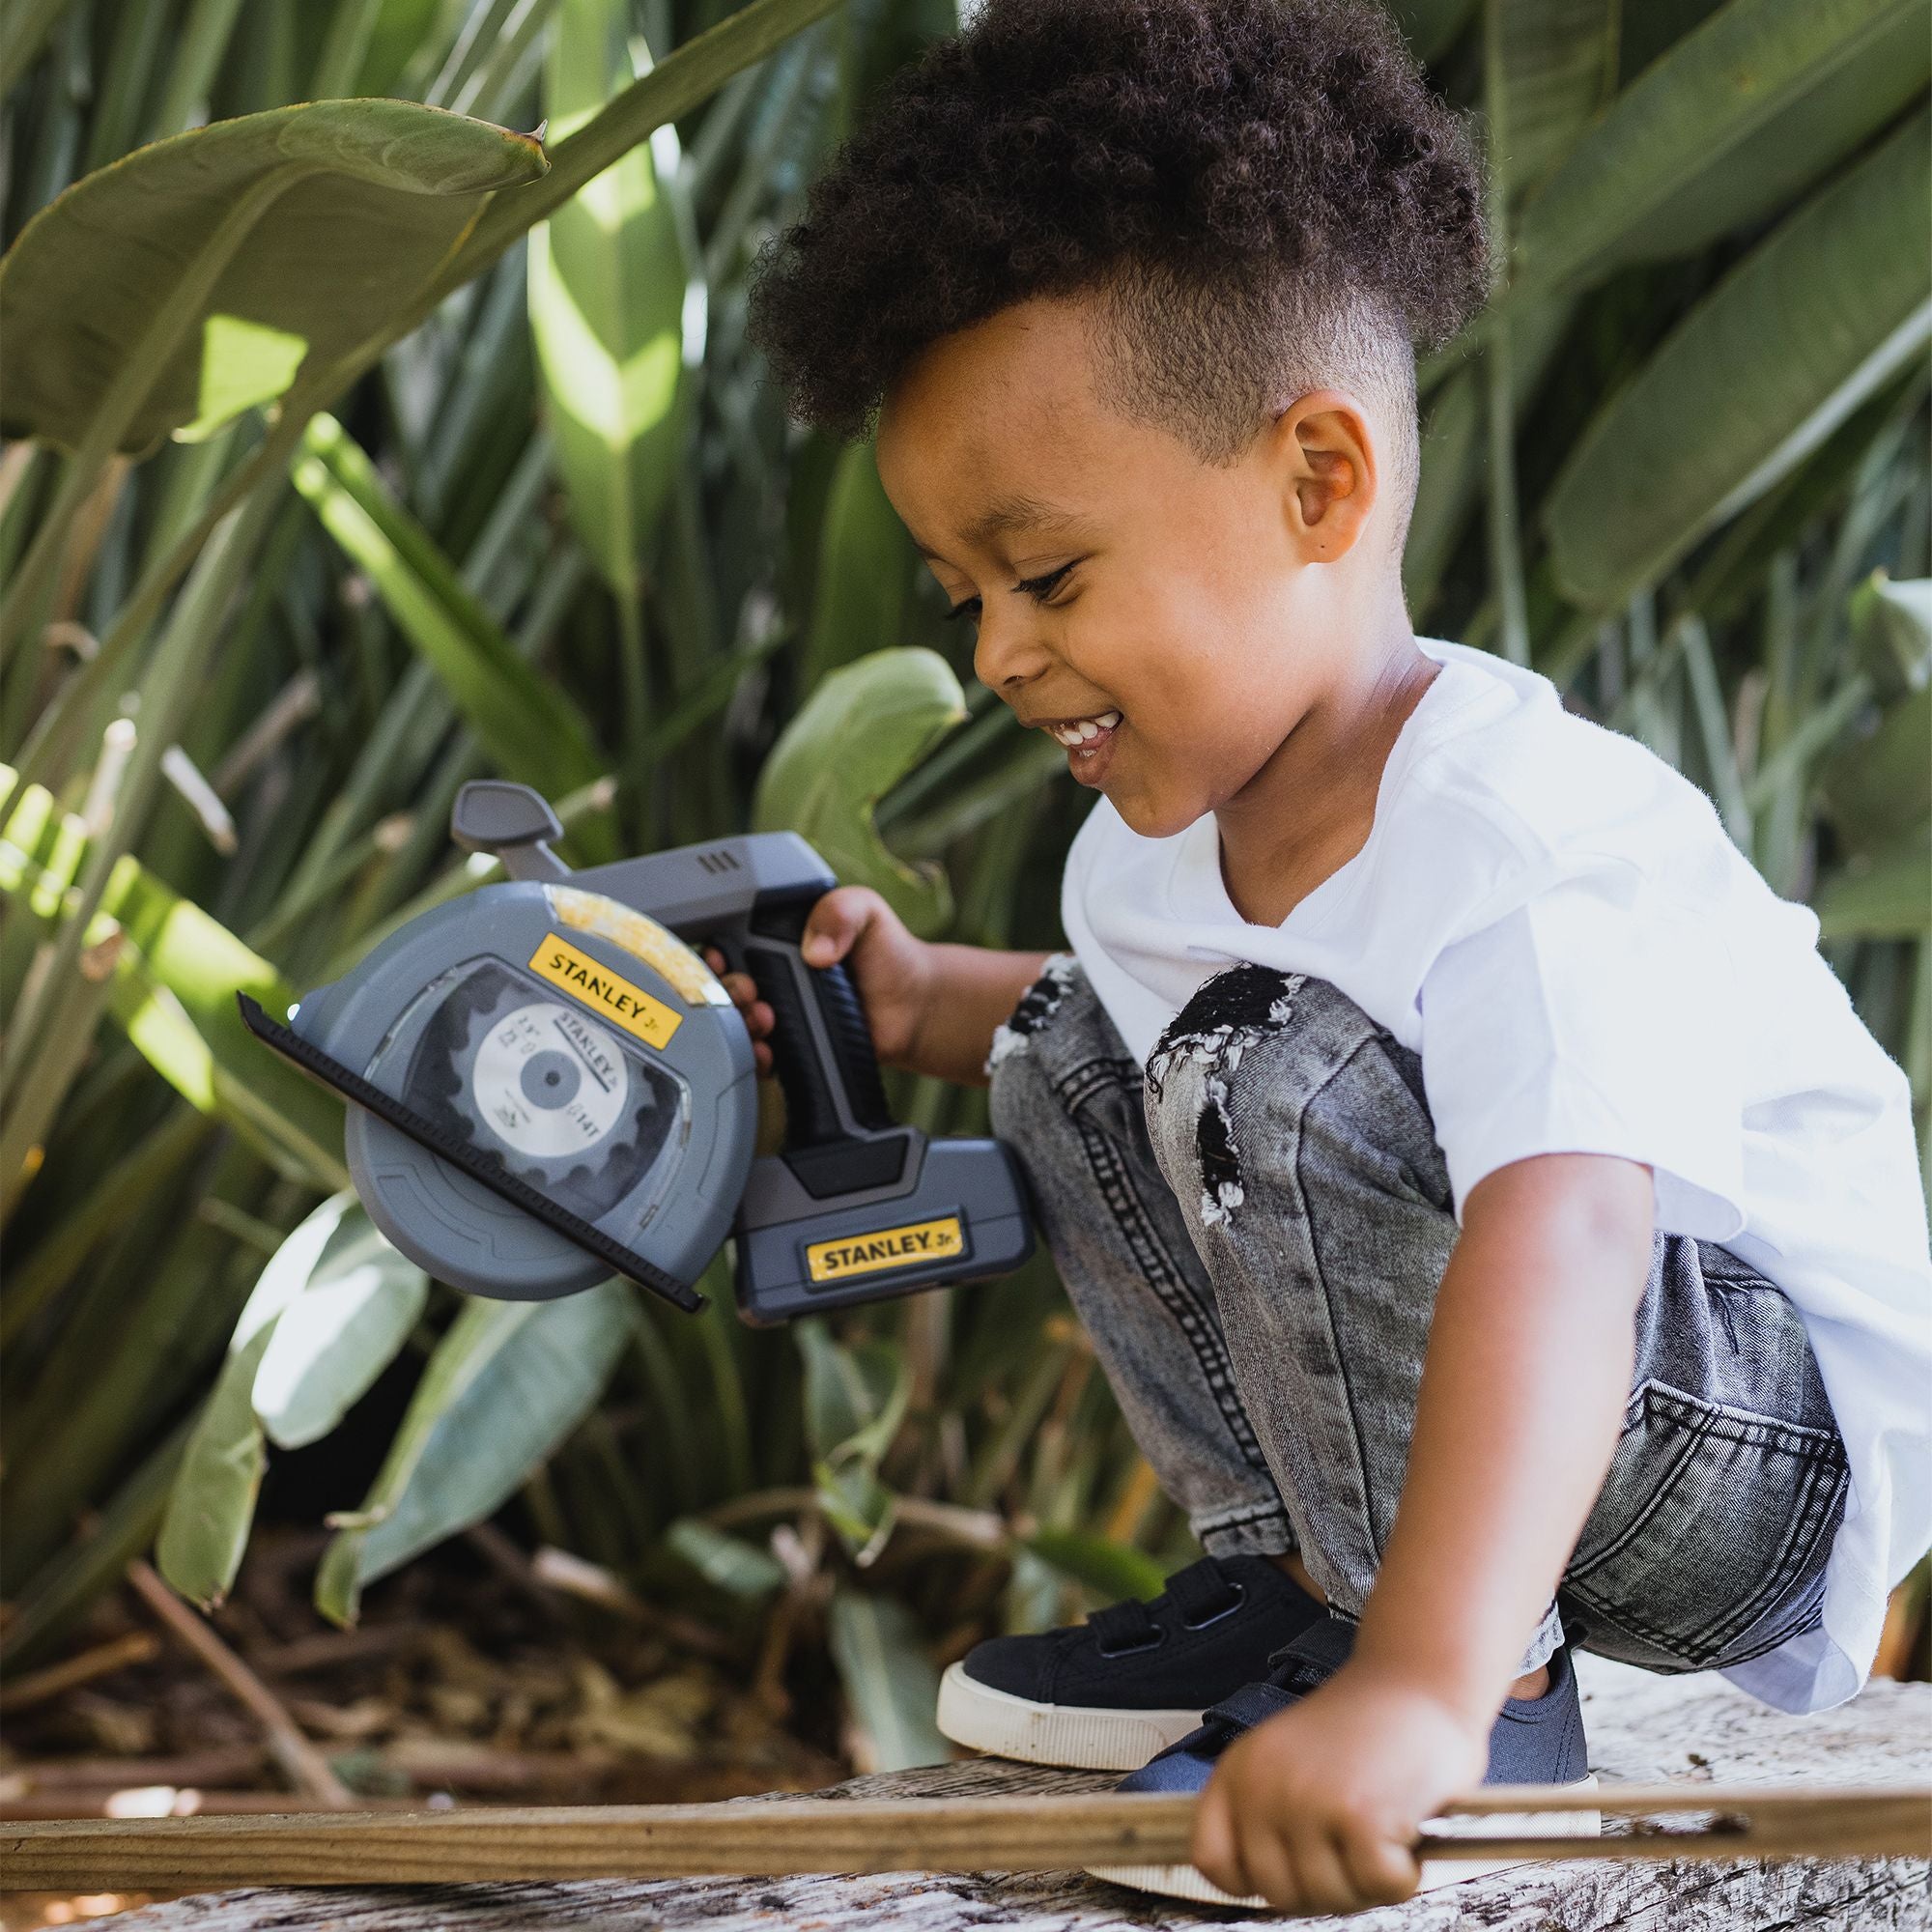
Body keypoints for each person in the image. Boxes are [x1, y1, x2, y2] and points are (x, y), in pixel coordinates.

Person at [702, 0, 1932, 1912]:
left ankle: (1467, 1672)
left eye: (1048, 575)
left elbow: (1571, 1232)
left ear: (1317, 485)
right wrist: (918, 999)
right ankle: (1287, 1591)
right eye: (964, 599)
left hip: (1743, 1452)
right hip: (1526, 1414)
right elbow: (1096, 1037)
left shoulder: (1520, 832)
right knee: (1073, 1039)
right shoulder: (1150, 850)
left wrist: (1431, 1686)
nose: (997, 655)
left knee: (1272, 1044)